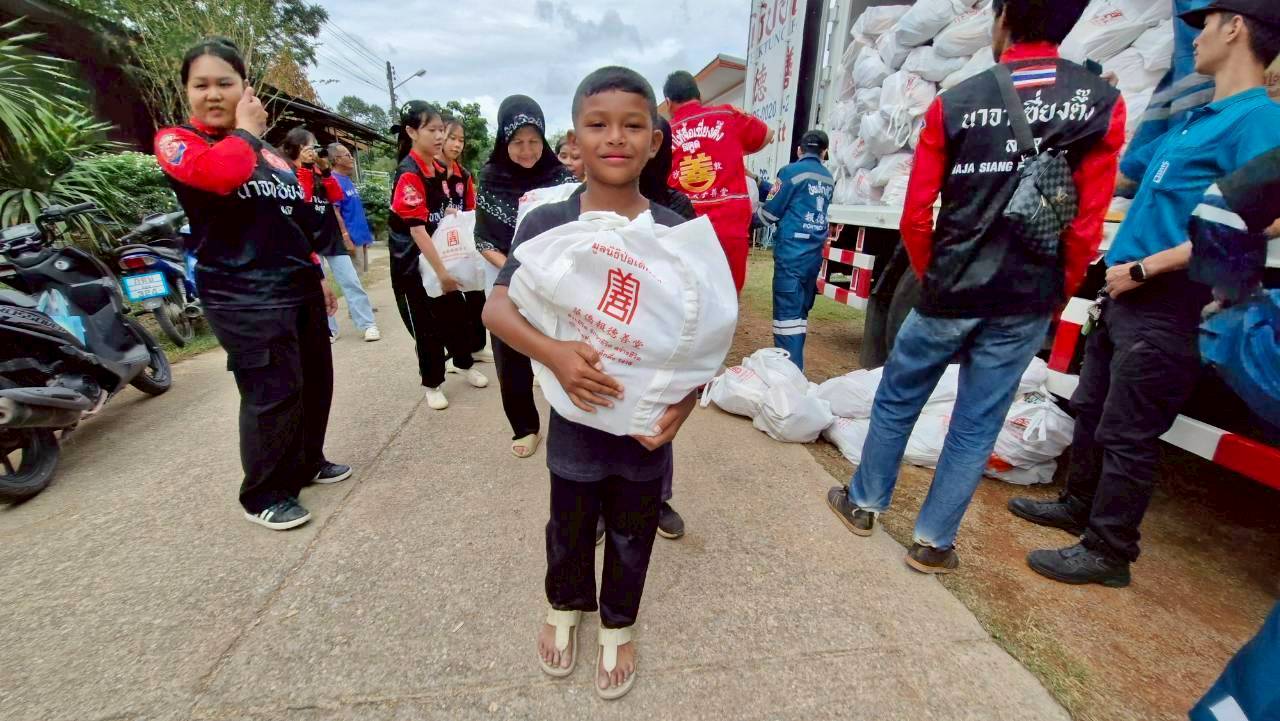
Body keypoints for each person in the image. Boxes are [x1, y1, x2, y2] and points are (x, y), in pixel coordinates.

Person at [827, 0, 1126, 575]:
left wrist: (933, 274)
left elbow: (916, 212)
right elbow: (1086, 223)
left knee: (897, 399)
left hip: (950, 289)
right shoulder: (1100, 103)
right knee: (976, 422)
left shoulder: (957, 101)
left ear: (1004, 17)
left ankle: (863, 503)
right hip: (1025, 297)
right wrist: (1055, 293)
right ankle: (933, 543)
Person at [1009, 0, 1280, 588]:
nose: (1195, 40)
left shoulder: (1259, 120)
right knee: (1093, 408)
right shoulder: (1199, 120)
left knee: (1129, 430)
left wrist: (1148, 266)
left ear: (1236, 28)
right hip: (1126, 291)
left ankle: (1109, 551)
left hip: (1170, 297)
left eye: (1206, 27)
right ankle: (1078, 506)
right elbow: (1139, 183)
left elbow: (1264, 219)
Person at [483, 66, 699, 701]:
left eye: (633, 125)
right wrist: (554, 354)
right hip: (576, 417)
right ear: (574, 140)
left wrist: (687, 401)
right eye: (598, 124)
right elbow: (498, 308)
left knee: (634, 526)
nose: (616, 137)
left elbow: (705, 330)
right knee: (569, 523)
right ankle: (564, 605)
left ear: (654, 140)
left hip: (644, 423)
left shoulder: (675, 229)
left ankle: (618, 623)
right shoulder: (548, 223)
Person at [154, 38, 351, 531]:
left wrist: (317, 272)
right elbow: (220, 177)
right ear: (186, 91)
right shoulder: (180, 142)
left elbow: (291, 217)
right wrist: (246, 132)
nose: (213, 94)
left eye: (225, 83)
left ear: (244, 87)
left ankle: (307, 461)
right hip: (242, 293)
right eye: (201, 85)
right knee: (272, 390)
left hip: (296, 283)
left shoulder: (267, 153)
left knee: (314, 381)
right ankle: (263, 493)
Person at [475, 95, 576, 458]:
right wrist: (515, 273)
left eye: (534, 141)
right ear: (504, 140)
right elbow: (483, 239)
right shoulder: (491, 178)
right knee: (511, 355)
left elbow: (576, 230)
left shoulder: (561, 177)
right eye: (517, 142)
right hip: (506, 279)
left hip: (554, 279)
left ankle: (574, 422)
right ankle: (525, 426)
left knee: (565, 346)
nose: (527, 150)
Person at [387, 101, 489, 410]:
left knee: (456, 316)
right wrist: (443, 274)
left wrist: (447, 214)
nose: (440, 137)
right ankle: (432, 383)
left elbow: (436, 212)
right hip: (414, 266)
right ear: (411, 132)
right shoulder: (408, 173)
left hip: (441, 258)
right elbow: (417, 231)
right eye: (432, 130)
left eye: (441, 130)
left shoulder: (439, 169)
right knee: (427, 327)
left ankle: (464, 363)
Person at [663, 70, 773, 292]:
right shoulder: (727, 115)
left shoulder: (664, 133)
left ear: (668, 102)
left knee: (687, 295)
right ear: (699, 95)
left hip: (685, 229)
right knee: (728, 296)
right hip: (729, 227)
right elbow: (767, 134)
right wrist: (736, 151)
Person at [280, 127, 380, 345]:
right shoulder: (287, 173)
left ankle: (367, 324)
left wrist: (325, 172)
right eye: (311, 146)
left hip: (330, 236)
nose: (315, 151)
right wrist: (306, 167)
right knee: (318, 287)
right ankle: (329, 329)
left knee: (351, 281)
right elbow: (304, 198)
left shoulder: (321, 172)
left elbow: (335, 195)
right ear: (298, 148)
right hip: (308, 239)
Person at [755, 130, 835, 371]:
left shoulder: (790, 172)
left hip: (791, 255)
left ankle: (790, 374)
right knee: (799, 316)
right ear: (824, 152)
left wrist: (742, 219)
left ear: (799, 150)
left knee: (786, 319)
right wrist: (758, 182)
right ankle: (794, 369)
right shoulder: (827, 178)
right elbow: (794, 196)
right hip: (813, 256)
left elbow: (770, 212)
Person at [437, 118, 492, 371]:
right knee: (446, 299)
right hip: (436, 246)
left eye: (461, 140)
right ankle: (453, 354)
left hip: (461, 243)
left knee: (475, 292)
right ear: (440, 137)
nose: (457, 144)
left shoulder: (464, 175)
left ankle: (477, 347)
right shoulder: (428, 172)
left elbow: (471, 209)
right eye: (452, 138)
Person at [328, 142, 376, 275]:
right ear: (337, 160)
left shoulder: (347, 179)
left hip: (360, 237)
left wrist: (365, 237)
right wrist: (346, 238)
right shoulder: (333, 180)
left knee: (360, 277)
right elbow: (335, 212)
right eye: (348, 155)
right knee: (354, 279)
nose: (352, 158)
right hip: (351, 239)